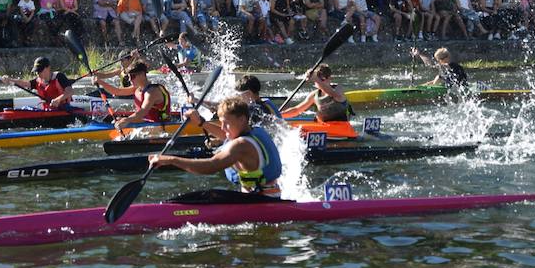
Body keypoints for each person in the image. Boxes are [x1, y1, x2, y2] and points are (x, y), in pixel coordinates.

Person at [149, 98, 283, 197]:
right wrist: (201, 123)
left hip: (259, 202)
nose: (223, 128)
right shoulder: (255, 131)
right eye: (221, 123)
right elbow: (227, 135)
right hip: (267, 195)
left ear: (242, 119)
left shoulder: (241, 146)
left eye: (226, 123)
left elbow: (211, 165)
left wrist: (170, 160)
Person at [96, 61, 175, 129]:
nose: (130, 79)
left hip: (159, 126)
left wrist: (127, 120)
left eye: (132, 76)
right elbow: (117, 91)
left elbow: (142, 112)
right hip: (145, 124)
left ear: (142, 75)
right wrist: (100, 82)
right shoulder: (137, 89)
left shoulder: (152, 92)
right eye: (129, 77)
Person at [0, 56, 76, 111]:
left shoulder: (59, 77)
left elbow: (70, 91)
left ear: (48, 68)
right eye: (36, 71)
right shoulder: (38, 81)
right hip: (48, 111)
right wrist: (10, 80)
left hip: (64, 110)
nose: (38, 73)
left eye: (40, 70)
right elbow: (25, 83)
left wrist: (58, 100)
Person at [281, 65, 355, 122]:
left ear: (329, 78)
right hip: (324, 126)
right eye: (317, 80)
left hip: (341, 126)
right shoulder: (314, 95)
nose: (319, 83)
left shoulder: (338, 88)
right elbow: (297, 110)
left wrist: (316, 79)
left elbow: (334, 94)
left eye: (322, 79)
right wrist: (279, 115)